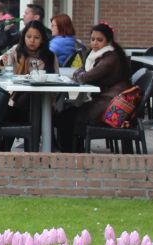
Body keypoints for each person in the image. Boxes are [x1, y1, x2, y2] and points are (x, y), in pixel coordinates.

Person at [56, 22, 133, 153]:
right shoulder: (96, 56)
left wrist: (80, 74)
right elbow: (80, 71)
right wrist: (80, 73)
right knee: (65, 113)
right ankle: (73, 151)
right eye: (92, 39)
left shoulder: (110, 58)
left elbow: (83, 77)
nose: (95, 43)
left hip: (108, 105)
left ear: (108, 41)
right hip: (102, 99)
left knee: (65, 116)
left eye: (99, 40)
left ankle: (71, 154)